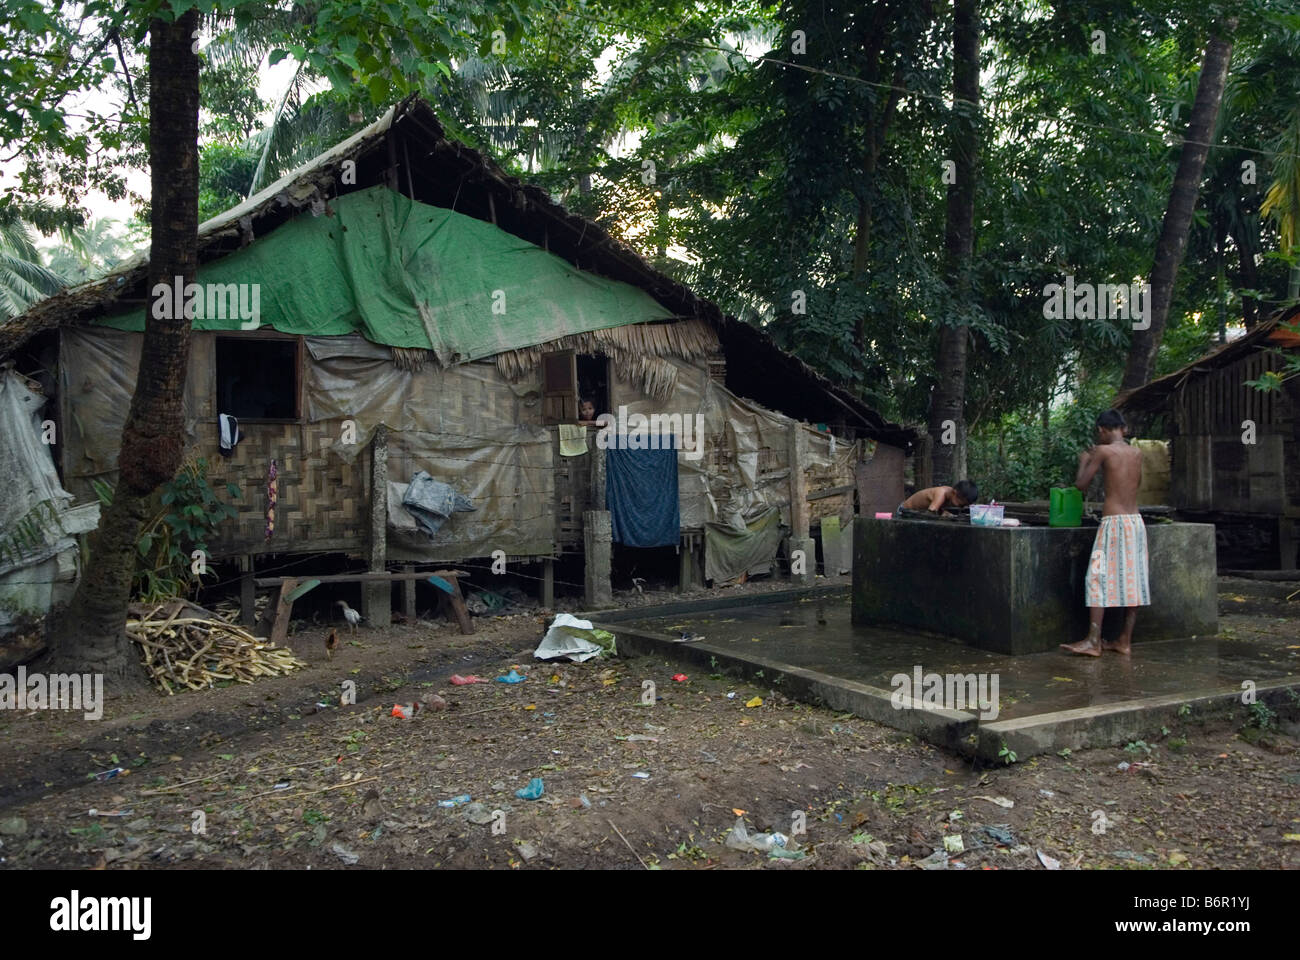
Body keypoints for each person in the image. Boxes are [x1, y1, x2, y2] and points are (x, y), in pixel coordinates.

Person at [1060, 409, 1148, 657]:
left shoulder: (1103, 451)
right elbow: (1134, 484)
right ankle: (1124, 641)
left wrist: (1083, 461)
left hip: (1114, 524)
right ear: (1124, 428)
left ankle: (1093, 641)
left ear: (1102, 430)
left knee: (1096, 577)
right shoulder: (1137, 453)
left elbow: (1080, 486)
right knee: (1134, 580)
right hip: (1135, 522)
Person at [895, 479, 978, 518]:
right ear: (955, 493)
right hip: (904, 512)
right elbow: (930, 515)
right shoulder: (941, 494)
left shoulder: (949, 493)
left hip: (915, 512)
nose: (960, 507)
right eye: (961, 504)